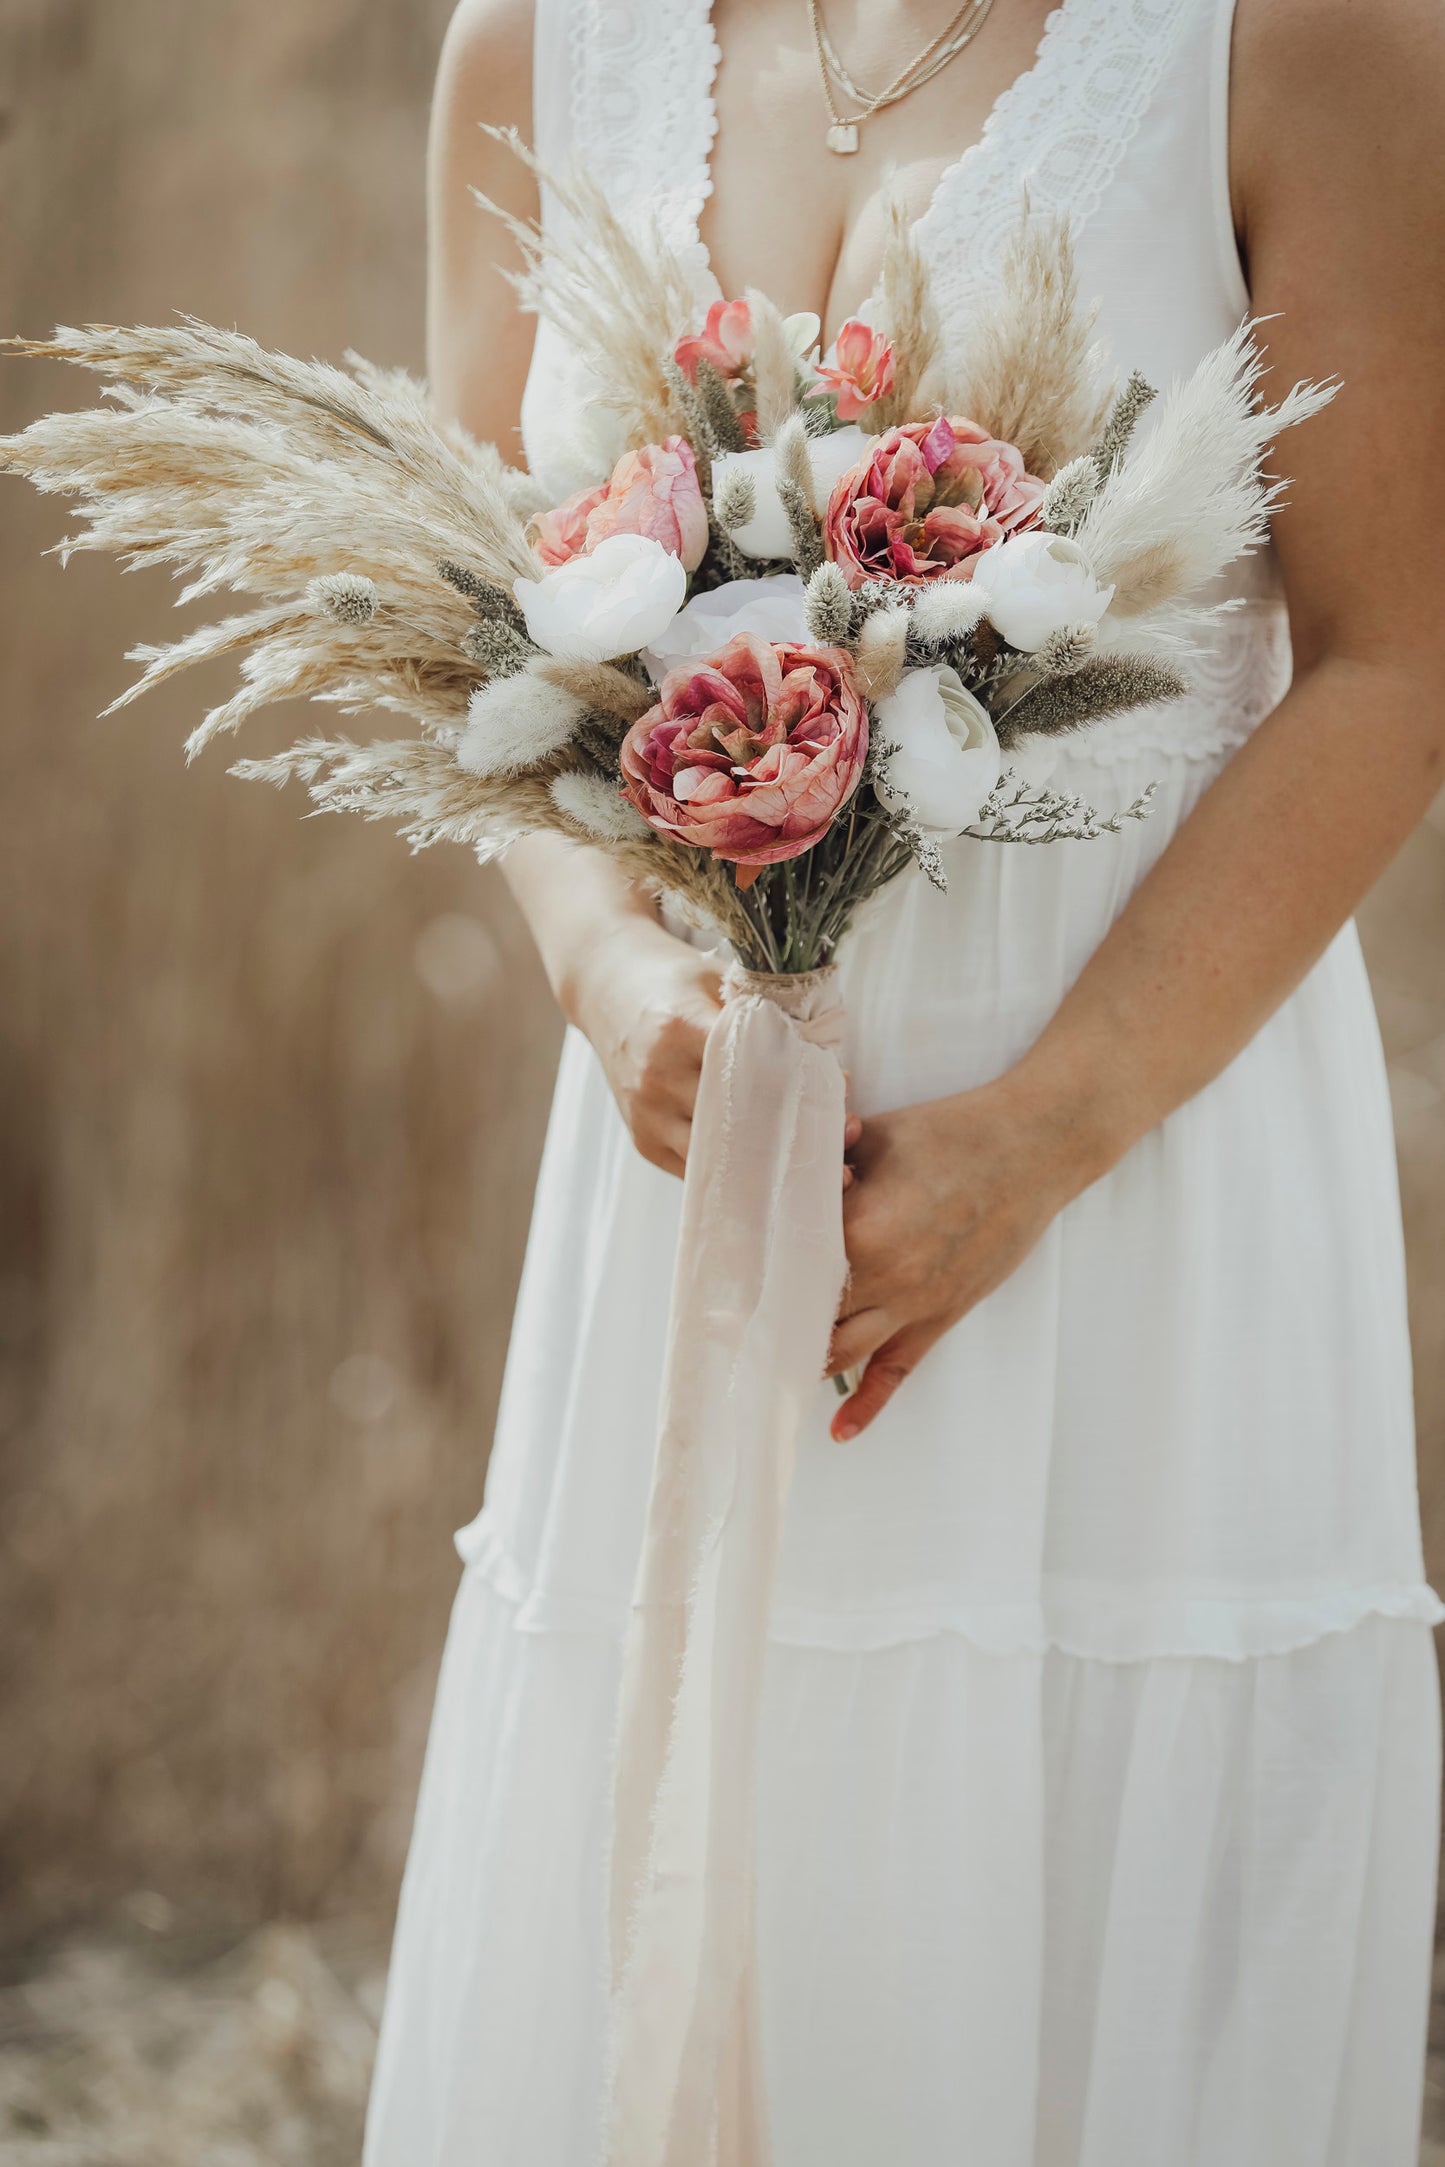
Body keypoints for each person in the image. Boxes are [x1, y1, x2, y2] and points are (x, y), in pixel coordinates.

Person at [365, 2, 1445, 2159]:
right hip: (693, 1191)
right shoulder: (533, 48)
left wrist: (1045, 1137)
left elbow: (1401, 652)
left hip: (1140, 1177)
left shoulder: (1299, 34)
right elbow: (460, 612)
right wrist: (601, 971)